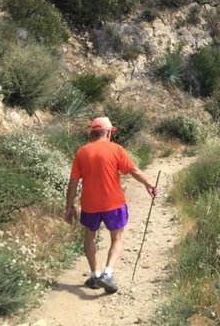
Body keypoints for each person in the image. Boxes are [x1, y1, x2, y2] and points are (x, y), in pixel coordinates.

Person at [65, 116, 157, 294]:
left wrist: (69, 207)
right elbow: (133, 171)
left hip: (90, 205)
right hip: (113, 203)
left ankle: (94, 275)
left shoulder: (81, 152)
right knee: (117, 238)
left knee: (89, 237)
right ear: (108, 132)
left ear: (92, 133)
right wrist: (149, 184)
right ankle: (107, 273)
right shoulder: (116, 149)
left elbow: (73, 182)